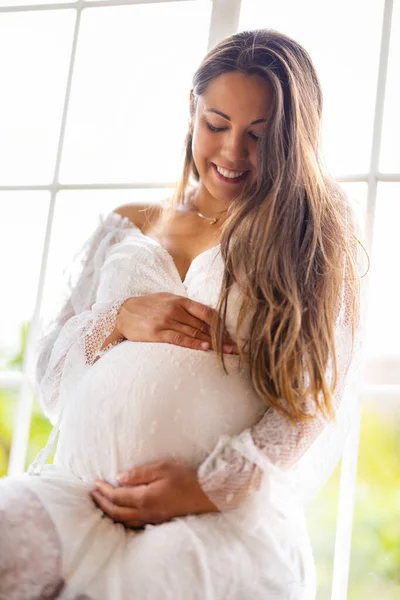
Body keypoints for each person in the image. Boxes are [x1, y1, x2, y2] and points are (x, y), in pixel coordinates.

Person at [0, 28, 366, 600]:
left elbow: (315, 396)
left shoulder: (309, 229)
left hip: (216, 518)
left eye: (260, 136)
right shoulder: (130, 221)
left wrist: (207, 486)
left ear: (294, 138)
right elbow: (50, 371)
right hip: (81, 490)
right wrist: (118, 318)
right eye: (216, 125)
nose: (232, 152)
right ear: (191, 112)